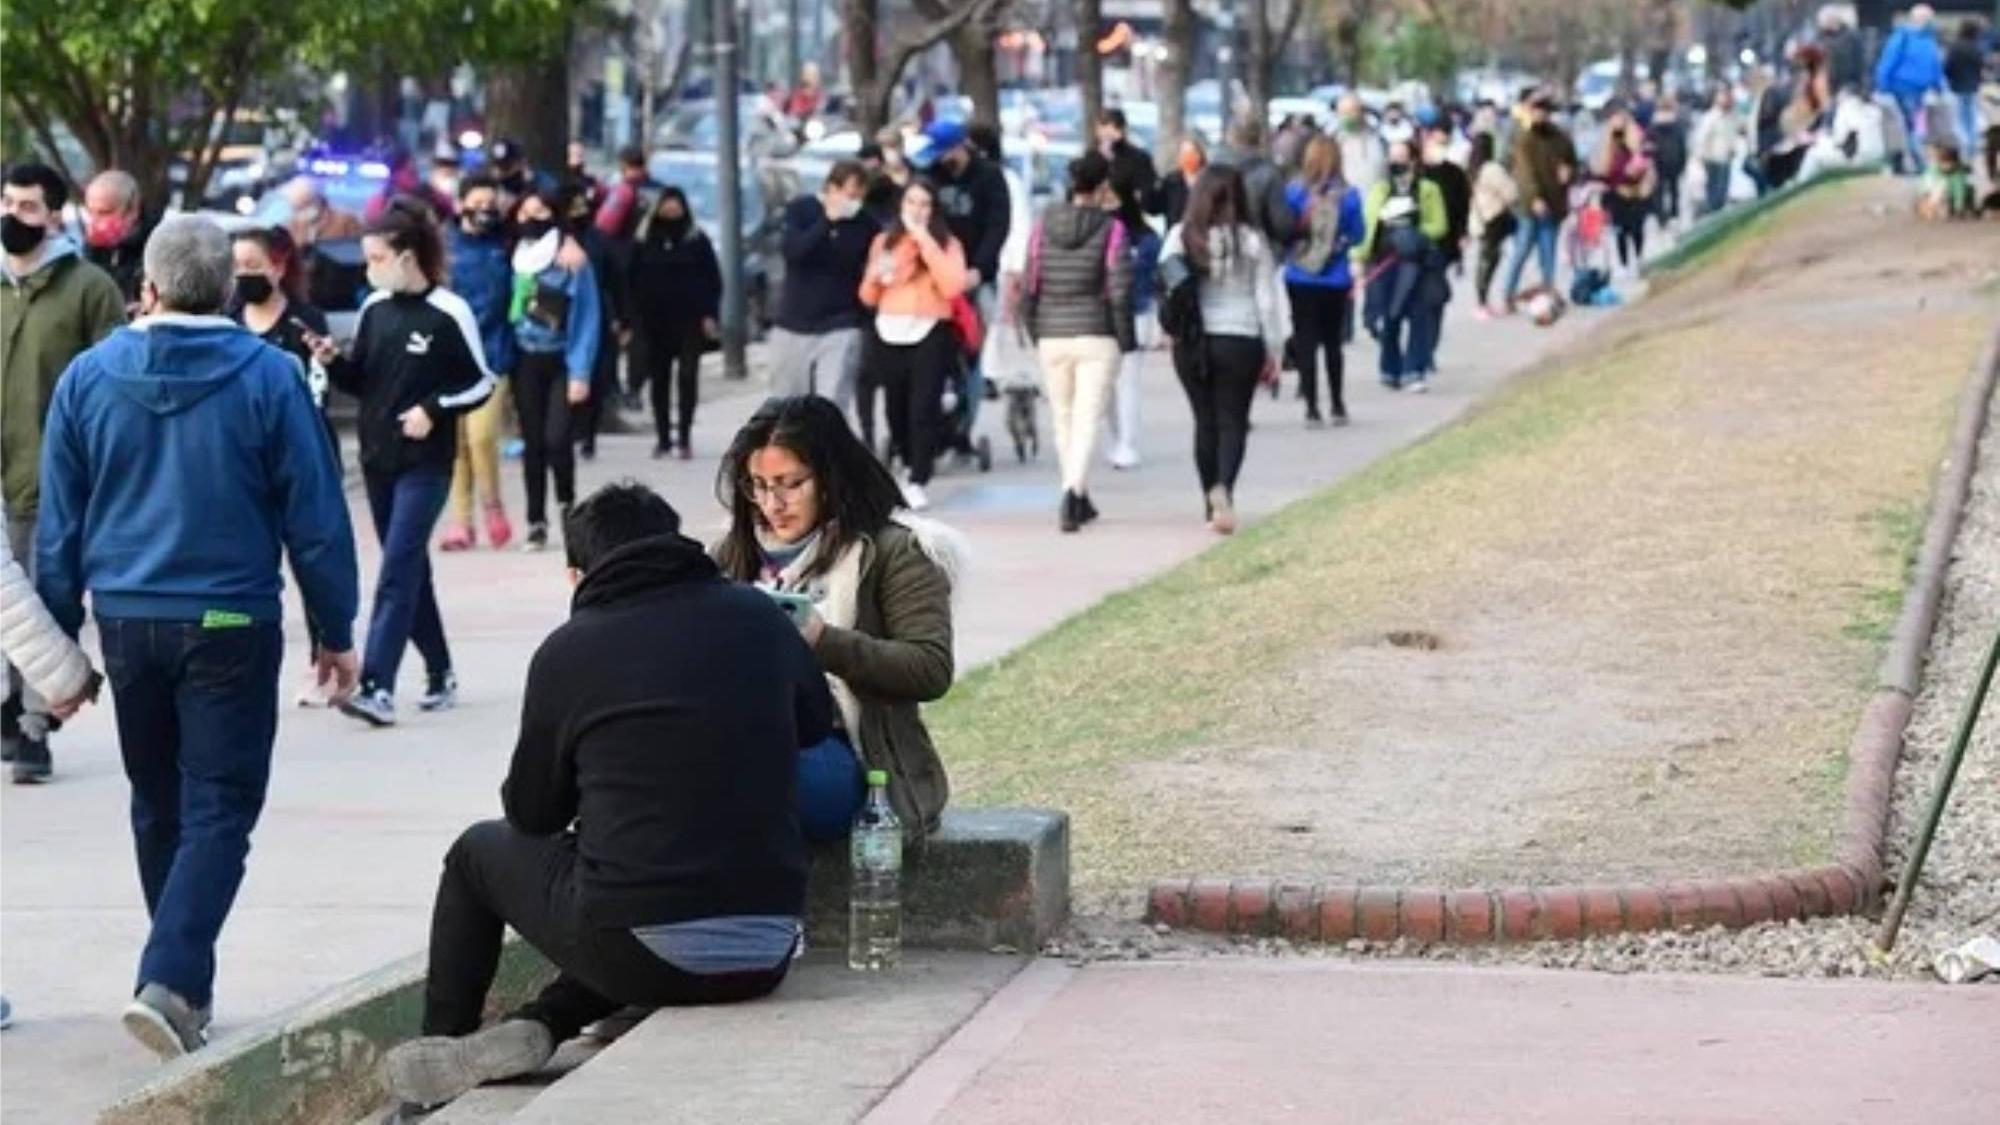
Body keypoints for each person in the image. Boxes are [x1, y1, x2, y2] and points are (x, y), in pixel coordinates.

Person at [378, 482, 827, 1113]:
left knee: (477, 854)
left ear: (576, 573)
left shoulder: (570, 651)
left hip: (637, 947)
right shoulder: (760, 618)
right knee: (631, 906)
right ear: (678, 540)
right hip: (770, 946)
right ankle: (543, 1023)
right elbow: (814, 729)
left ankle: (439, 1053)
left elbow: (532, 815)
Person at [35, 214, 359, 1056]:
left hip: (130, 622)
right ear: (227, 287)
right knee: (219, 807)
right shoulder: (271, 375)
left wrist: (56, 646)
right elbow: (314, 512)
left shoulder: (86, 378)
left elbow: (59, 527)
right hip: (228, 619)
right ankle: (172, 975)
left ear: (147, 283)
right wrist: (336, 624)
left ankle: (182, 988)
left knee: (158, 803)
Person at [714, 396, 964, 833]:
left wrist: (821, 640)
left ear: (828, 480)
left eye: (790, 484)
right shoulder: (730, 555)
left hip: (845, 750)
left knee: (757, 780)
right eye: (758, 485)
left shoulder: (894, 551)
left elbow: (930, 668)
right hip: (739, 731)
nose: (773, 503)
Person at [315, 198, 496, 728]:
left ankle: (376, 685)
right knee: (410, 568)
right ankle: (439, 671)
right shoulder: (375, 309)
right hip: (377, 461)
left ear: (407, 256)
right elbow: (363, 381)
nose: (370, 269)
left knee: (395, 569)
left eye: (376, 257)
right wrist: (334, 362)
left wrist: (435, 409)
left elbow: (481, 381)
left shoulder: (449, 312)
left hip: (426, 463)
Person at [1, 162, 126, 783]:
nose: (12, 216)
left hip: (46, 474)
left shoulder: (88, 288)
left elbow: (114, 383)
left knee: (34, 601)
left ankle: (33, 725)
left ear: (54, 215)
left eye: (27, 207)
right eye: (6, 202)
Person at [230, 226, 342, 705]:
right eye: (236, 267)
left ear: (278, 266)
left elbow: (318, 392)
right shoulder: (228, 323)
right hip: (243, 463)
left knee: (310, 558)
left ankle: (325, 658)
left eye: (253, 266)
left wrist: (328, 360)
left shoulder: (304, 321)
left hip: (301, 457)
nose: (243, 276)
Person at [1159, 167, 1289, 537]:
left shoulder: (1180, 237)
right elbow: (1266, 299)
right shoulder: (1250, 241)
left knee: (1204, 420)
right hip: (1241, 337)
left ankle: (1207, 501)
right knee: (1233, 419)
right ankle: (1225, 491)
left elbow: (1165, 284)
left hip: (1193, 340)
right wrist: (1275, 348)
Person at [1022, 152, 1135, 533]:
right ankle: (1072, 494)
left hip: (1052, 332)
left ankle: (1077, 492)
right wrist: (1125, 337)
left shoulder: (1043, 225)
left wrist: (1033, 327)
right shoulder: (1112, 229)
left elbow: (1030, 282)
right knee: (1088, 418)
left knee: (1063, 418)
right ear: (1103, 186)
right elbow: (1119, 290)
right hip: (1096, 332)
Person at [858, 179, 969, 513]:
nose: (917, 210)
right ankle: (906, 462)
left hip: (930, 330)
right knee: (896, 407)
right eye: (911, 203)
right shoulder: (884, 242)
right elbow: (867, 296)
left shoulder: (947, 243)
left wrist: (924, 241)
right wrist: (878, 273)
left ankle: (919, 476)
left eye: (924, 204)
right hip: (890, 330)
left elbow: (953, 286)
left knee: (924, 407)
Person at [508, 187, 603, 547]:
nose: (531, 219)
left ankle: (567, 505)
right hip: (523, 359)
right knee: (531, 441)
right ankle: (536, 519)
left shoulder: (571, 260)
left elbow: (588, 316)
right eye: (525, 211)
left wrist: (580, 372)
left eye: (540, 212)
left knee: (557, 438)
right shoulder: (513, 255)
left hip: (561, 358)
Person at [439, 173, 517, 553]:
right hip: (450, 358)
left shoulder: (508, 242)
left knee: (482, 436)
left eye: (492, 204)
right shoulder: (442, 245)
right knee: (455, 445)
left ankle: (493, 507)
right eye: (478, 203)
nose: (486, 211)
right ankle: (460, 522)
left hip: (494, 354)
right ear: (460, 205)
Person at [771, 162, 879, 415]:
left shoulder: (865, 224)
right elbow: (794, 252)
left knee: (831, 405)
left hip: (841, 324)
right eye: (850, 195)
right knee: (790, 409)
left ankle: (828, 453)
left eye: (859, 197)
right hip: (794, 323)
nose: (854, 203)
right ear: (832, 189)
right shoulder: (802, 211)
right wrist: (827, 223)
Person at [624, 186, 720, 460]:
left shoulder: (696, 240)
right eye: (667, 204)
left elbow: (712, 279)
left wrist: (709, 314)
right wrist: (630, 319)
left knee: (688, 376)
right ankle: (663, 437)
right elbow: (630, 280)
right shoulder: (644, 240)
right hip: (654, 320)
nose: (672, 209)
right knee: (660, 379)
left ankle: (685, 436)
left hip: (689, 320)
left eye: (676, 204)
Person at [1282, 135, 1366, 427]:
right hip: (1335, 276)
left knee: (1305, 339)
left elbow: (1284, 228)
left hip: (1299, 274)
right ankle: (1338, 404)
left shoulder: (1294, 192)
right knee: (1332, 341)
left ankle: (1312, 408)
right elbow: (1359, 235)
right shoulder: (1349, 195)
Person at [1359, 142, 1450, 393]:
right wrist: (1360, 256)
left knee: (1419, 317)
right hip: (1386, 262)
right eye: (1393, 158)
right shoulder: (1380, 189)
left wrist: (1412, 238)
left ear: (1413, 161)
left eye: (1402, 158)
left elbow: (1439, 225)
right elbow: (1369, 226)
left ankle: (1414, 369)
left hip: (1416, 262)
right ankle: (1390, 368)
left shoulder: (1428, 190)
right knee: (1389, 316)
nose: (1397, 164)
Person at [1104, 181, 1162, 471]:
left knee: (1127, 381)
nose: (1108, 205)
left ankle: (1127, 441)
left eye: (1113, 198)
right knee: (1107, 385)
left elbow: (1156, 281)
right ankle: (1117, 437)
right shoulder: (1098, 232)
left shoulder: (1146, 239)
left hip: (1136, 313)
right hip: (1101, 314)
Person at [1502, 93, 1576, 312]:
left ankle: (1549, 290)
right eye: (1536, 110)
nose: (1540, 115)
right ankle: (1509, 293)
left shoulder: (1560, 138)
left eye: (1544, 111)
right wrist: (1534, 197)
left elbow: (1572, 162)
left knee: (1548, 249)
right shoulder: (1524, 138)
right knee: (1522, 248)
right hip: (1528, 204)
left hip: (1553, 201)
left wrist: (1569, 173)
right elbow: (1524, 173)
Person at [1877, 4, 1947, 173]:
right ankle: (1919, 163)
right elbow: (1889, 61)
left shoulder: (1924, 39)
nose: (1928, 22)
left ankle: (1911, 162)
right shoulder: (1906, 38)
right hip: (1904, 88)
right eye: (1926, 18)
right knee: (1912, 126)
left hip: (1918, 89)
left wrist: (1938, 85)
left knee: (1911, 126)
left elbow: (1935, 65)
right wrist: (1882, 84)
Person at [1224, 119, 1297, 250]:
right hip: (1262, 251)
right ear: (1260, 138)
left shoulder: (1213, 171)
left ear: (1230, 138)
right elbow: (1281, 224)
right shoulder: (1269, 173)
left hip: (1222, 248)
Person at [1467, 132, 1519, 319]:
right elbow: (1511, 192)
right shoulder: (1491, 168)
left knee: (1485, 260)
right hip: (1495, 216)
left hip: (1479, 219)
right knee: (1491, 260)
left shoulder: (1471, 168)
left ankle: (1482, 302)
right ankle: (1485, 302)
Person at [80, 170, 150, 305]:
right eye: (91, 212)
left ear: (133, 211)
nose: (95, 221)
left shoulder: (155, 249)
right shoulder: (92, 248)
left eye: (105, 212)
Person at [1595, 114, 1657, 269]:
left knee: (1637, 228)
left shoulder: (1636, 140)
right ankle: (1624, 263)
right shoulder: (1608, 145)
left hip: (1636, 192)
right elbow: (1602, 170)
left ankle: (1639, 258)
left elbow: (1648, 162)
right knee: (1621, 231)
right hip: (1617, 194)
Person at [1097, 107, 1159, 217]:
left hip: (1129, 218)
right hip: (1098, 220)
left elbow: (1148, 197)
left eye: (1112, 129)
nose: (1106, 136)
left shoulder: (1138, 158)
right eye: (1102, 129)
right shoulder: (1093, 158)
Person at [1692, 86, 1744, 217]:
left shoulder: (1732, 116)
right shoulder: (1711, 117)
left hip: (1726, 157)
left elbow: (1736, 132)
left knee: (1723, 191)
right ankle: (1713, 216)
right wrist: (1700, 156)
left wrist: (1734, 148)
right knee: (1715, 192)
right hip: (1713, 158)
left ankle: (1718, 214)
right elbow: (1701, 138)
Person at [282, 177, 365, 249]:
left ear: (317, 200)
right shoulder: (291, 226)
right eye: (295, 209)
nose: (299, 213)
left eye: (302, 207)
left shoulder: (346, 220)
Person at [1945, 21, 1988, 155]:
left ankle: (1962, 147)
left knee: (1958, 119)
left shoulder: (1954, 48)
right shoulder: (1977, 48)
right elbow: (1981, 67)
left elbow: (1947, 67)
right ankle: (1972, 147)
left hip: (1956, 87)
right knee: (1971, 119)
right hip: (1973, 87)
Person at [1648, 92, 1689, 226]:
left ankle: (1661, 217)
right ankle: (1674, 213)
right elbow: (1682, 144)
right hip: (1674, 160)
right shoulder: (1677, 123)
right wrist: (1683, 162)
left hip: (1658, 161)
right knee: (1674, 189)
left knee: (1659, 191)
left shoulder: (1653, 125)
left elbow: (1649, 144)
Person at [1335, 95, 1387, 196]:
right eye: (1342, 113)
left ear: (1362, 112)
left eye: (1351, 111)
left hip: (1376, 203)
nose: (1346, 116)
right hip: (1350, 205)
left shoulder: (1379, 138)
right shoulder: (1335, 141)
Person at [1818, 5, 1867, 98]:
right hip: (1828, 88)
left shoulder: (1851, 37)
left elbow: (1859, 63)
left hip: (1848, 87)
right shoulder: (1822, 39)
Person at [1159, 138, 1206, 227]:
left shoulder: (1209, 180)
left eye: (1191, 153)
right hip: (1176, 233)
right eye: (1184, 154)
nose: (1187, 157)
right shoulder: (1171, 181)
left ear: (1200, 155)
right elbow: (1157, 206)